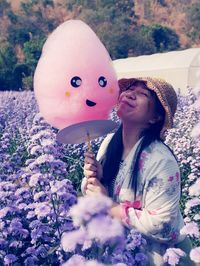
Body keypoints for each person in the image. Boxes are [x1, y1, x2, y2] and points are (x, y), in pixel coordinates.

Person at [82, 77, 193, 266]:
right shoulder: (110, 142)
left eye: (142, 94)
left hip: (156, 257)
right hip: (118, 250)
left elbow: (162, 225)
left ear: (155, 117)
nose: (130, 94)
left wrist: (107, 204)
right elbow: (94, 194)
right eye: (130, 89)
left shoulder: (161, 160)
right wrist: (95, 179)